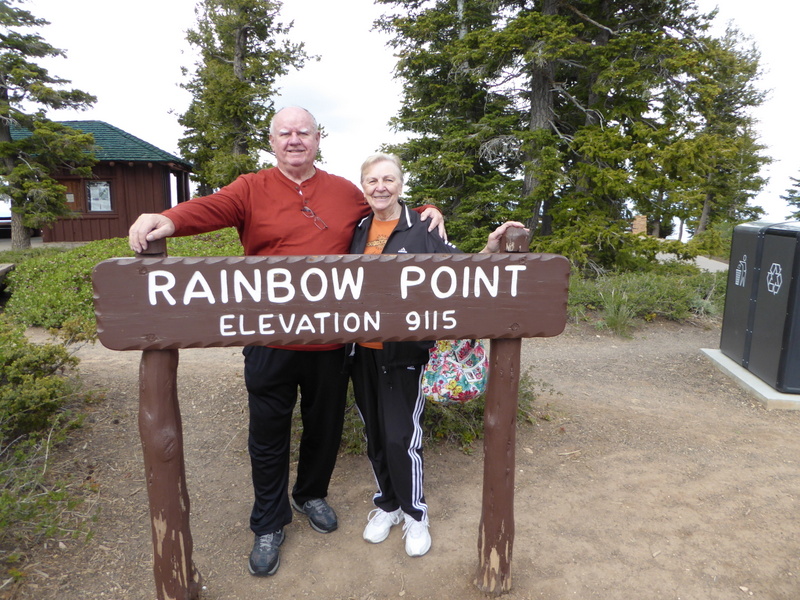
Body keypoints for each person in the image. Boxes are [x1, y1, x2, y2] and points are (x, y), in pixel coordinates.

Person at [128, 107, 444, 577]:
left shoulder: (344, 192)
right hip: (269, 341)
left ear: (317, 139)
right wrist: (166, 219)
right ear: (272, 141)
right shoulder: (250, 188)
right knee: (268, 436)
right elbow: (208, 208)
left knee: (324, 430)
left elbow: (388, 213)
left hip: (330, 344)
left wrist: (427, 212)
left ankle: (311, 494)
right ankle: (269, 522)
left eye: (304, 132)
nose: (295, 140)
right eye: (285, 133)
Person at [349, 152, 526, 557]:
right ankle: (388, 505)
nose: (381, 187)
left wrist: (490, 248)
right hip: (361, 353)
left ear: (401, 185)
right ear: (363, 186)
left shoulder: (422, 226)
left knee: (401, 437)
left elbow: (461, 273)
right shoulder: (358, 229)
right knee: (375, 436)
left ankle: (415, 514)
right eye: (373, 180)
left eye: (389, 179)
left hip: (404, 353)